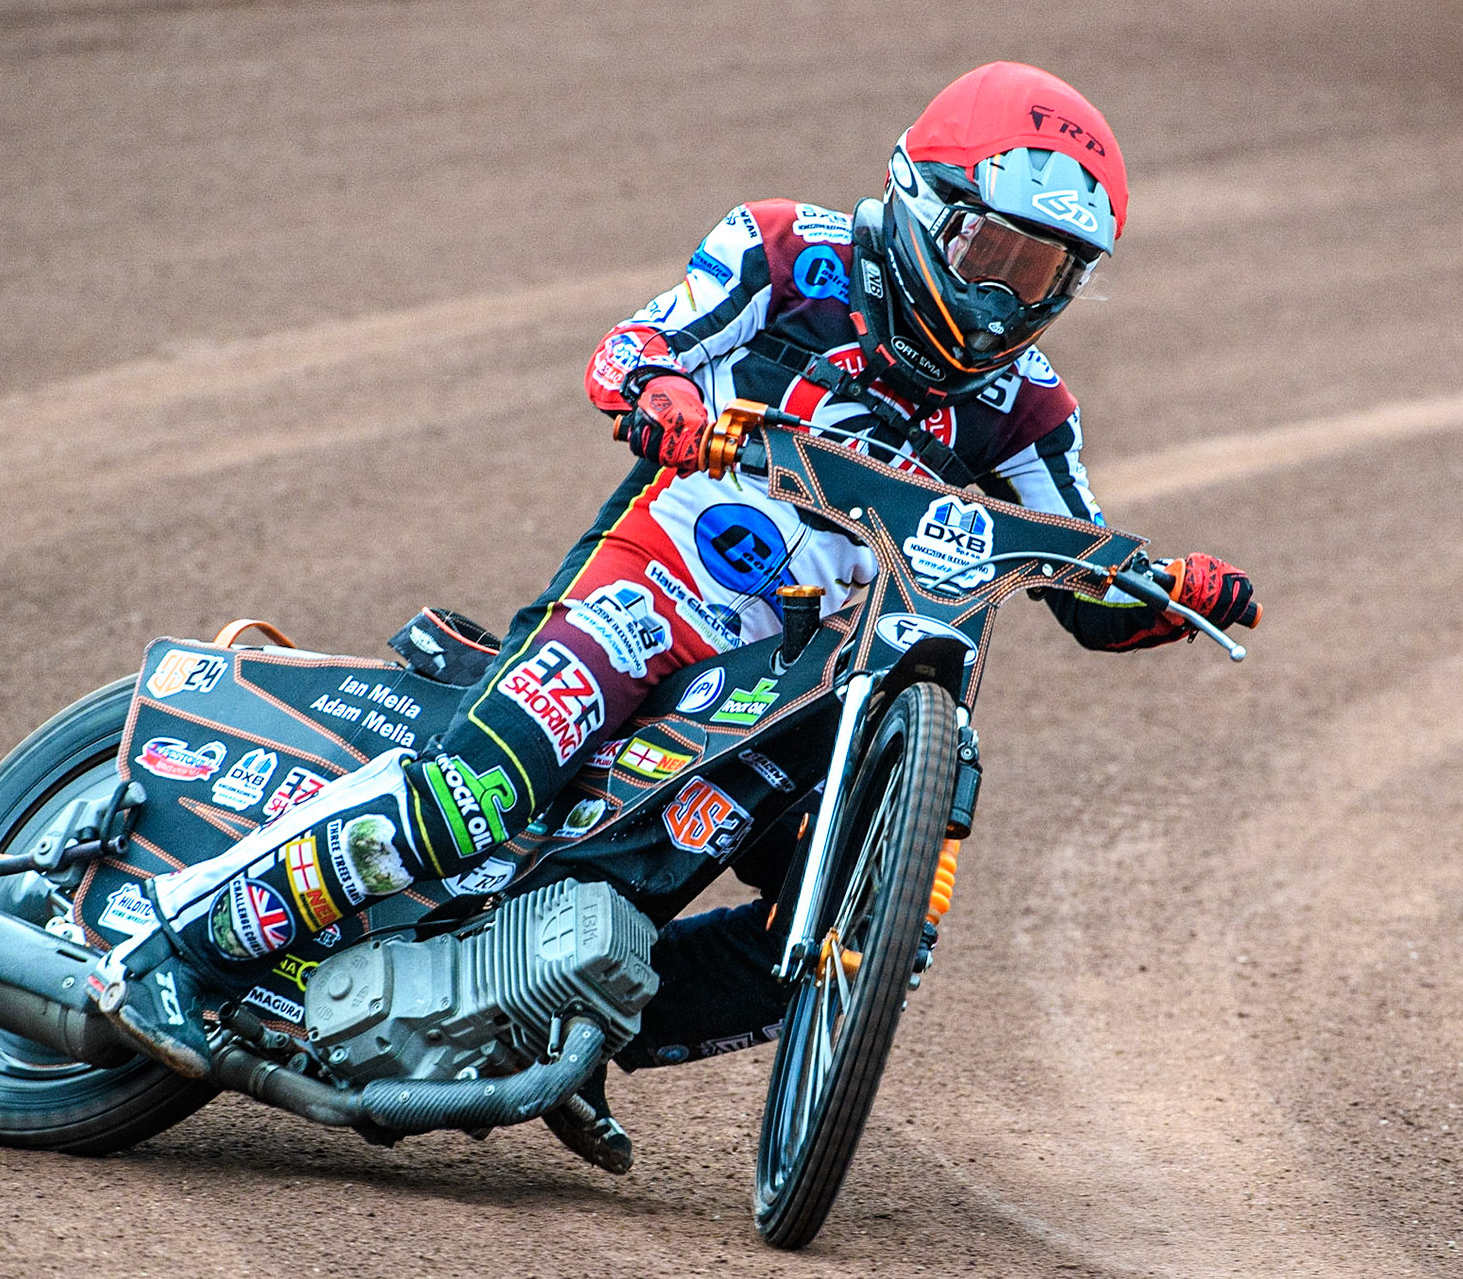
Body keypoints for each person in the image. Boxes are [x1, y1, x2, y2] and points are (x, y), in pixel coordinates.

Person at [87, 61, 1257, 1170]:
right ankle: (176, 952)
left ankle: (558, 1022)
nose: (1008, 293)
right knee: (479, 789)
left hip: (807, 678)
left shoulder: (1028, 411)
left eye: (1046, 273)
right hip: (650, 594)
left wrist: (1166, 587)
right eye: (991, 249)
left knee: (878, 920)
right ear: (921, 201)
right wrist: (660, 395)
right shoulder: (786, 251)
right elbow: (632, 347)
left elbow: (1088, 577)